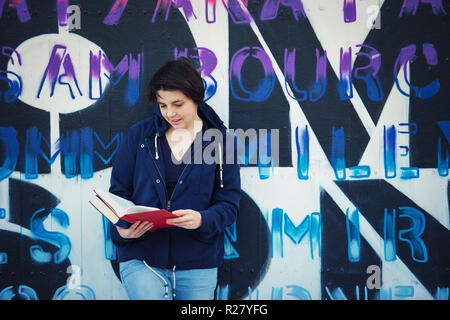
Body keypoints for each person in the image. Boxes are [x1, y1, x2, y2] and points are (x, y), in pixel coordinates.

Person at [108, 57, 242, 300]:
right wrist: (121, 230)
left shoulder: (222, 141)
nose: (170, 113)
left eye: (178, 104)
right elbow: (118, 194)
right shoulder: (139, 135)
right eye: (162, 105)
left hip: (198, 261)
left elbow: (229, 204)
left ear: (196, 98)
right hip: (142, 258)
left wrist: (203, 219)